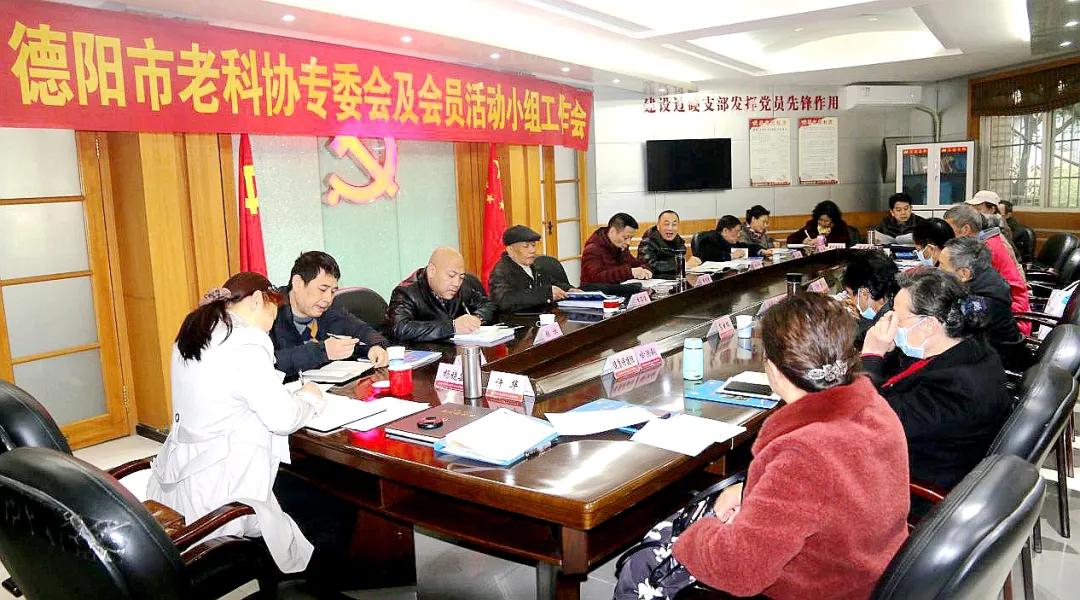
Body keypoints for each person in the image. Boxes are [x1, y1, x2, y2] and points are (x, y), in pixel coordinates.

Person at [615, 294, 909, 599]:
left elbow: (740, 570)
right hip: (867, 568)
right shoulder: (875, 407)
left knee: (641, 568)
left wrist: (696, 535)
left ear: (773, 368)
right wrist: (749, 490)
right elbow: (828, 492)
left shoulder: (804, 454)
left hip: (821, 588)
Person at [148, 272, 327, 576]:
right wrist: (310, 399)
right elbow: (282, 418)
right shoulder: (247, 341)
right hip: (226, 493)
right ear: (257, 300)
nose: (270, 326)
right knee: (321, 500)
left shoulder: (196, 332)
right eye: (272, 315)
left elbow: (227, 395)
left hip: (183, 480)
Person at [861, 268, 1012, 516]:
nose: (890, 322)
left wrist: (871, 356)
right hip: (928, 455)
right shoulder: (967, 349)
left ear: (929, 325)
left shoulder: (956, 388)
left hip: (916, 489)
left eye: (897, 317)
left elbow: (870, 421)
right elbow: (903, 378)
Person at [270, 251, 389, 381]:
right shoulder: (270, 311)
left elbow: (363, 331)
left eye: (333, 292)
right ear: (298, 283)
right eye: (322, 289)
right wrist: (322, 351)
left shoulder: (330, 309)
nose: (328, 299)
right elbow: (268, 364)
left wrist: (375, 347)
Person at [938, 237, 1034, 371]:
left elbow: (950, 335)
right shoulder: (982, 273)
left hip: (1000, 365)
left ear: (964, 273)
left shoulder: (979, 303)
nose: (937, 270)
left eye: (942, 266)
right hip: (990, 351)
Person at [944, 203, 1030, 335]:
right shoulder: (985, 241)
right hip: (998, 310)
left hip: (1013, 317)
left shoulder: (984, 249)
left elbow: (966, 288)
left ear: (965, 229)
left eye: (949, 230)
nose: (947, 235)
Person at [387, 247, 498, 342]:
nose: (456, 283)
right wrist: (452, 327)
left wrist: (477, 318)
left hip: (457, 351)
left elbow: (489, 305)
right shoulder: (405, 292)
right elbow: (400, 328)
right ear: (432, 271)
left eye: (461, 277)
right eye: (451, 276)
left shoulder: (463, 285)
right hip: (427, 355)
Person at [488, 225, 579, 313]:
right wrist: (545, 294)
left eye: (533, 245)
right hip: (518, 320)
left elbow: (551, 283)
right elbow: (504, 301)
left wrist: (569, 290)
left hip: (543, 316)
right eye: (526, 246)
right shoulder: (501, 272)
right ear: (510, 250)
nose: (532, 250)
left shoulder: (536, 265)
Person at [841, 249, 899, 346]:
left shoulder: (885, 329)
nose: (851, 300)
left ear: (864, 293)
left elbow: (868, 335)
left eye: (849, 294)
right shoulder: (893, 305)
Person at [581, 212, 653, 284]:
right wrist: (630, 272)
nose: (628, 242)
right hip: (596, 290)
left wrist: (644, 270)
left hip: (618, 288)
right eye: (625, 237)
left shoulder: (621, 247)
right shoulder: (592, 249)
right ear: (613, 231)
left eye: (631, 238)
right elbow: (596, 278)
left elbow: (636, 263)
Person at [636, 210, 703, 278]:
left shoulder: (678, 241)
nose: (670, 228)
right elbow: (649, 266)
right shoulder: (647, 242)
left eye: (674, 224)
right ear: (658, 226)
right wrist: (681, 265)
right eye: (666, 224)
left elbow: (680, 259)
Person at [696, 215, 764, 262]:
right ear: (725, 231)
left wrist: (761, 251)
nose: (739, 235)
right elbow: (710, 256)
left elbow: (747, 248)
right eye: (737, 231)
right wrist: (731, 256)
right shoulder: (709, 240)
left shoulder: (730, 242)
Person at [785, 200, 851, 246]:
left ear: (833, 219)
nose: (822, 223)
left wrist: (823, 241)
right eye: (820, 220)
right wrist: (803, 241)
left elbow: (844, 242)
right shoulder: (812, 225)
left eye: (826, 221)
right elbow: (791, 239)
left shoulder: (840, 226)